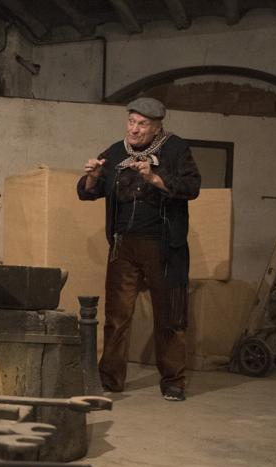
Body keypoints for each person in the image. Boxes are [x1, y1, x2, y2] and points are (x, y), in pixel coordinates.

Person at [77, 98, 201, 402]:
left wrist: (154, 178)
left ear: (157, 126)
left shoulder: (175, 149)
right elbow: (85, 192)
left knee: (169, 316)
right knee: (116, 316)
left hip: (163, 247)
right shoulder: (117, 151)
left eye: (142, 124)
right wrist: (93, 175)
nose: (134, 129)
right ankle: (110, 378)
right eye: (131, 121)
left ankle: (173, 380)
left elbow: (192, 187)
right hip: (123, 246)